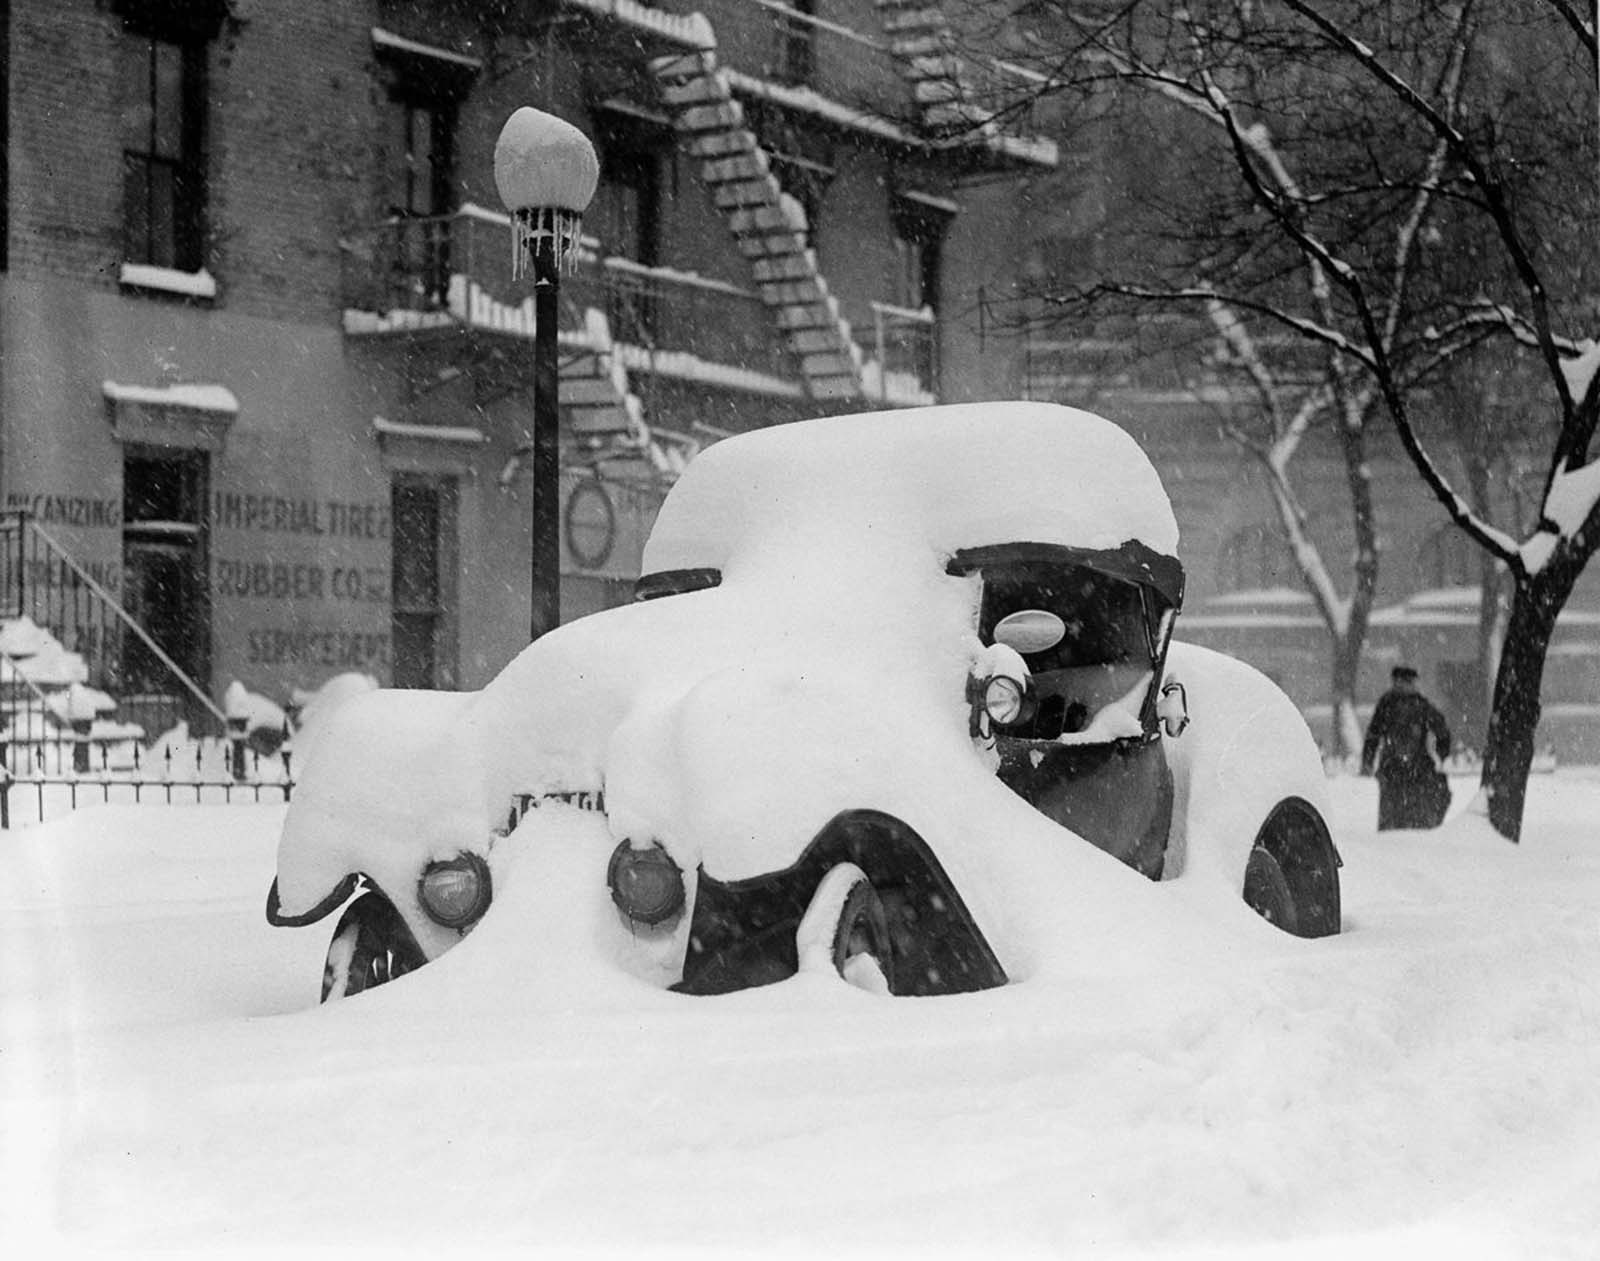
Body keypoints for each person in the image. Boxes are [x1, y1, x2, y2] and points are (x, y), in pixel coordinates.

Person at [1360, 665, 1453, 830]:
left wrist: (1368, 761)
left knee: (1394, 816)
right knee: (1413, 816)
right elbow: (1442, 731)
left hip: (1396, 769)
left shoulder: (1390, 703)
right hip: (1413, 769)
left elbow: (1373, 735)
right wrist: (1442, 755)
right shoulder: (1417, 704)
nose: (1406, 685)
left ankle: (1400, 836)